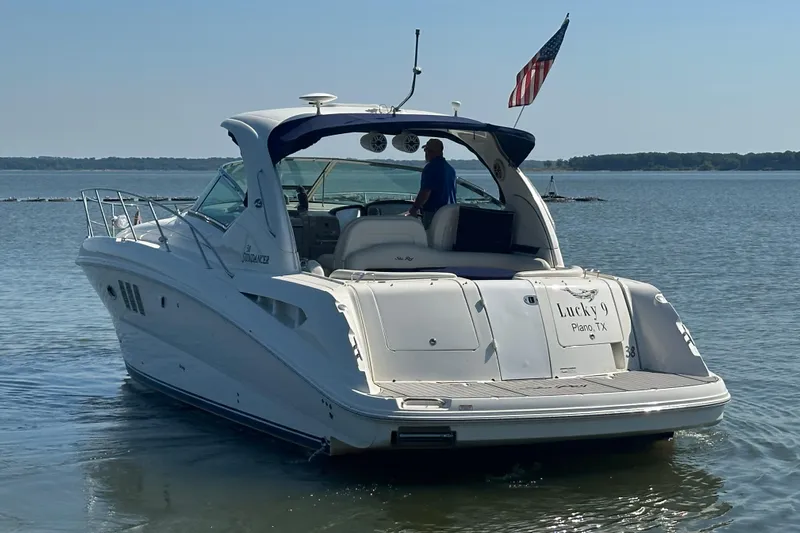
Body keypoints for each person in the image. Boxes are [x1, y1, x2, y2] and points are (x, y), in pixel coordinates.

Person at [406, 138, 457, 228]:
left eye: (426, 150)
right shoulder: (451, 169)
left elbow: (425, 193)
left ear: (430, 152)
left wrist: (413, 210)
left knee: (430, 238)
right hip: (450, 214)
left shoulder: (430, 168)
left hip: (434, 214)